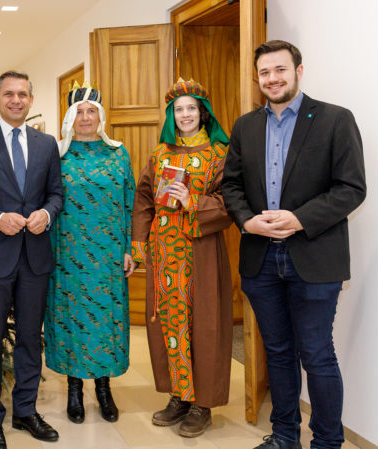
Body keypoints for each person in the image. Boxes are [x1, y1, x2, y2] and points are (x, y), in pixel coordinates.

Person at [222, 40, 366, 449]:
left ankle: (327, 442)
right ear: (258, 78)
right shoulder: (246, 126)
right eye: (265, 72)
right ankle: (284, 435)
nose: (272, 78)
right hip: (261, 259)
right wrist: (247, 220)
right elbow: (231, 184)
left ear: (299, 71)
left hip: (315, 257)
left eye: (280, 70)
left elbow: (351, 188)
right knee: (278, 354)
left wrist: (299, 219)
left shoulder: (335, 120)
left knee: (317, 354)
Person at [0, 71, 63, 449]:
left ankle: (25, 410)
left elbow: (56, 193)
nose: (16, 100)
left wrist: (47, 214)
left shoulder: (46, 144)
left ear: (31, 100)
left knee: (29, 341)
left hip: (35, 258)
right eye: (9, 94)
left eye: (23, 94)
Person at [132, 78, 233, 438]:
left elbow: (232, 202)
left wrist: (195, 203)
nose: (186, 114)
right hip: (164, 253)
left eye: (192, 108)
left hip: (201, 252)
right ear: (171, 116)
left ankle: (203, 403)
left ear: (203, 114)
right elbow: (144, 198)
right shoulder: (159, 154)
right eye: (179, 109)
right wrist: (139, 240)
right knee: (169, 324)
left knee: (203, 323)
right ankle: (179, 395)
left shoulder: (220, 154)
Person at [44, 82, 135, 424]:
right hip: (67, 255)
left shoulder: (118, 153)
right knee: (70, 319)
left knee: (104, 323)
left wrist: (130, 250)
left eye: (91, 111)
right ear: (70, 117)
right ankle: (73, 390)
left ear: (101, 115)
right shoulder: (57, 155)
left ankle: (103, 388)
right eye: (78, 112)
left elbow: (129, 203)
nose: (85, 118)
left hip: (109, 256)